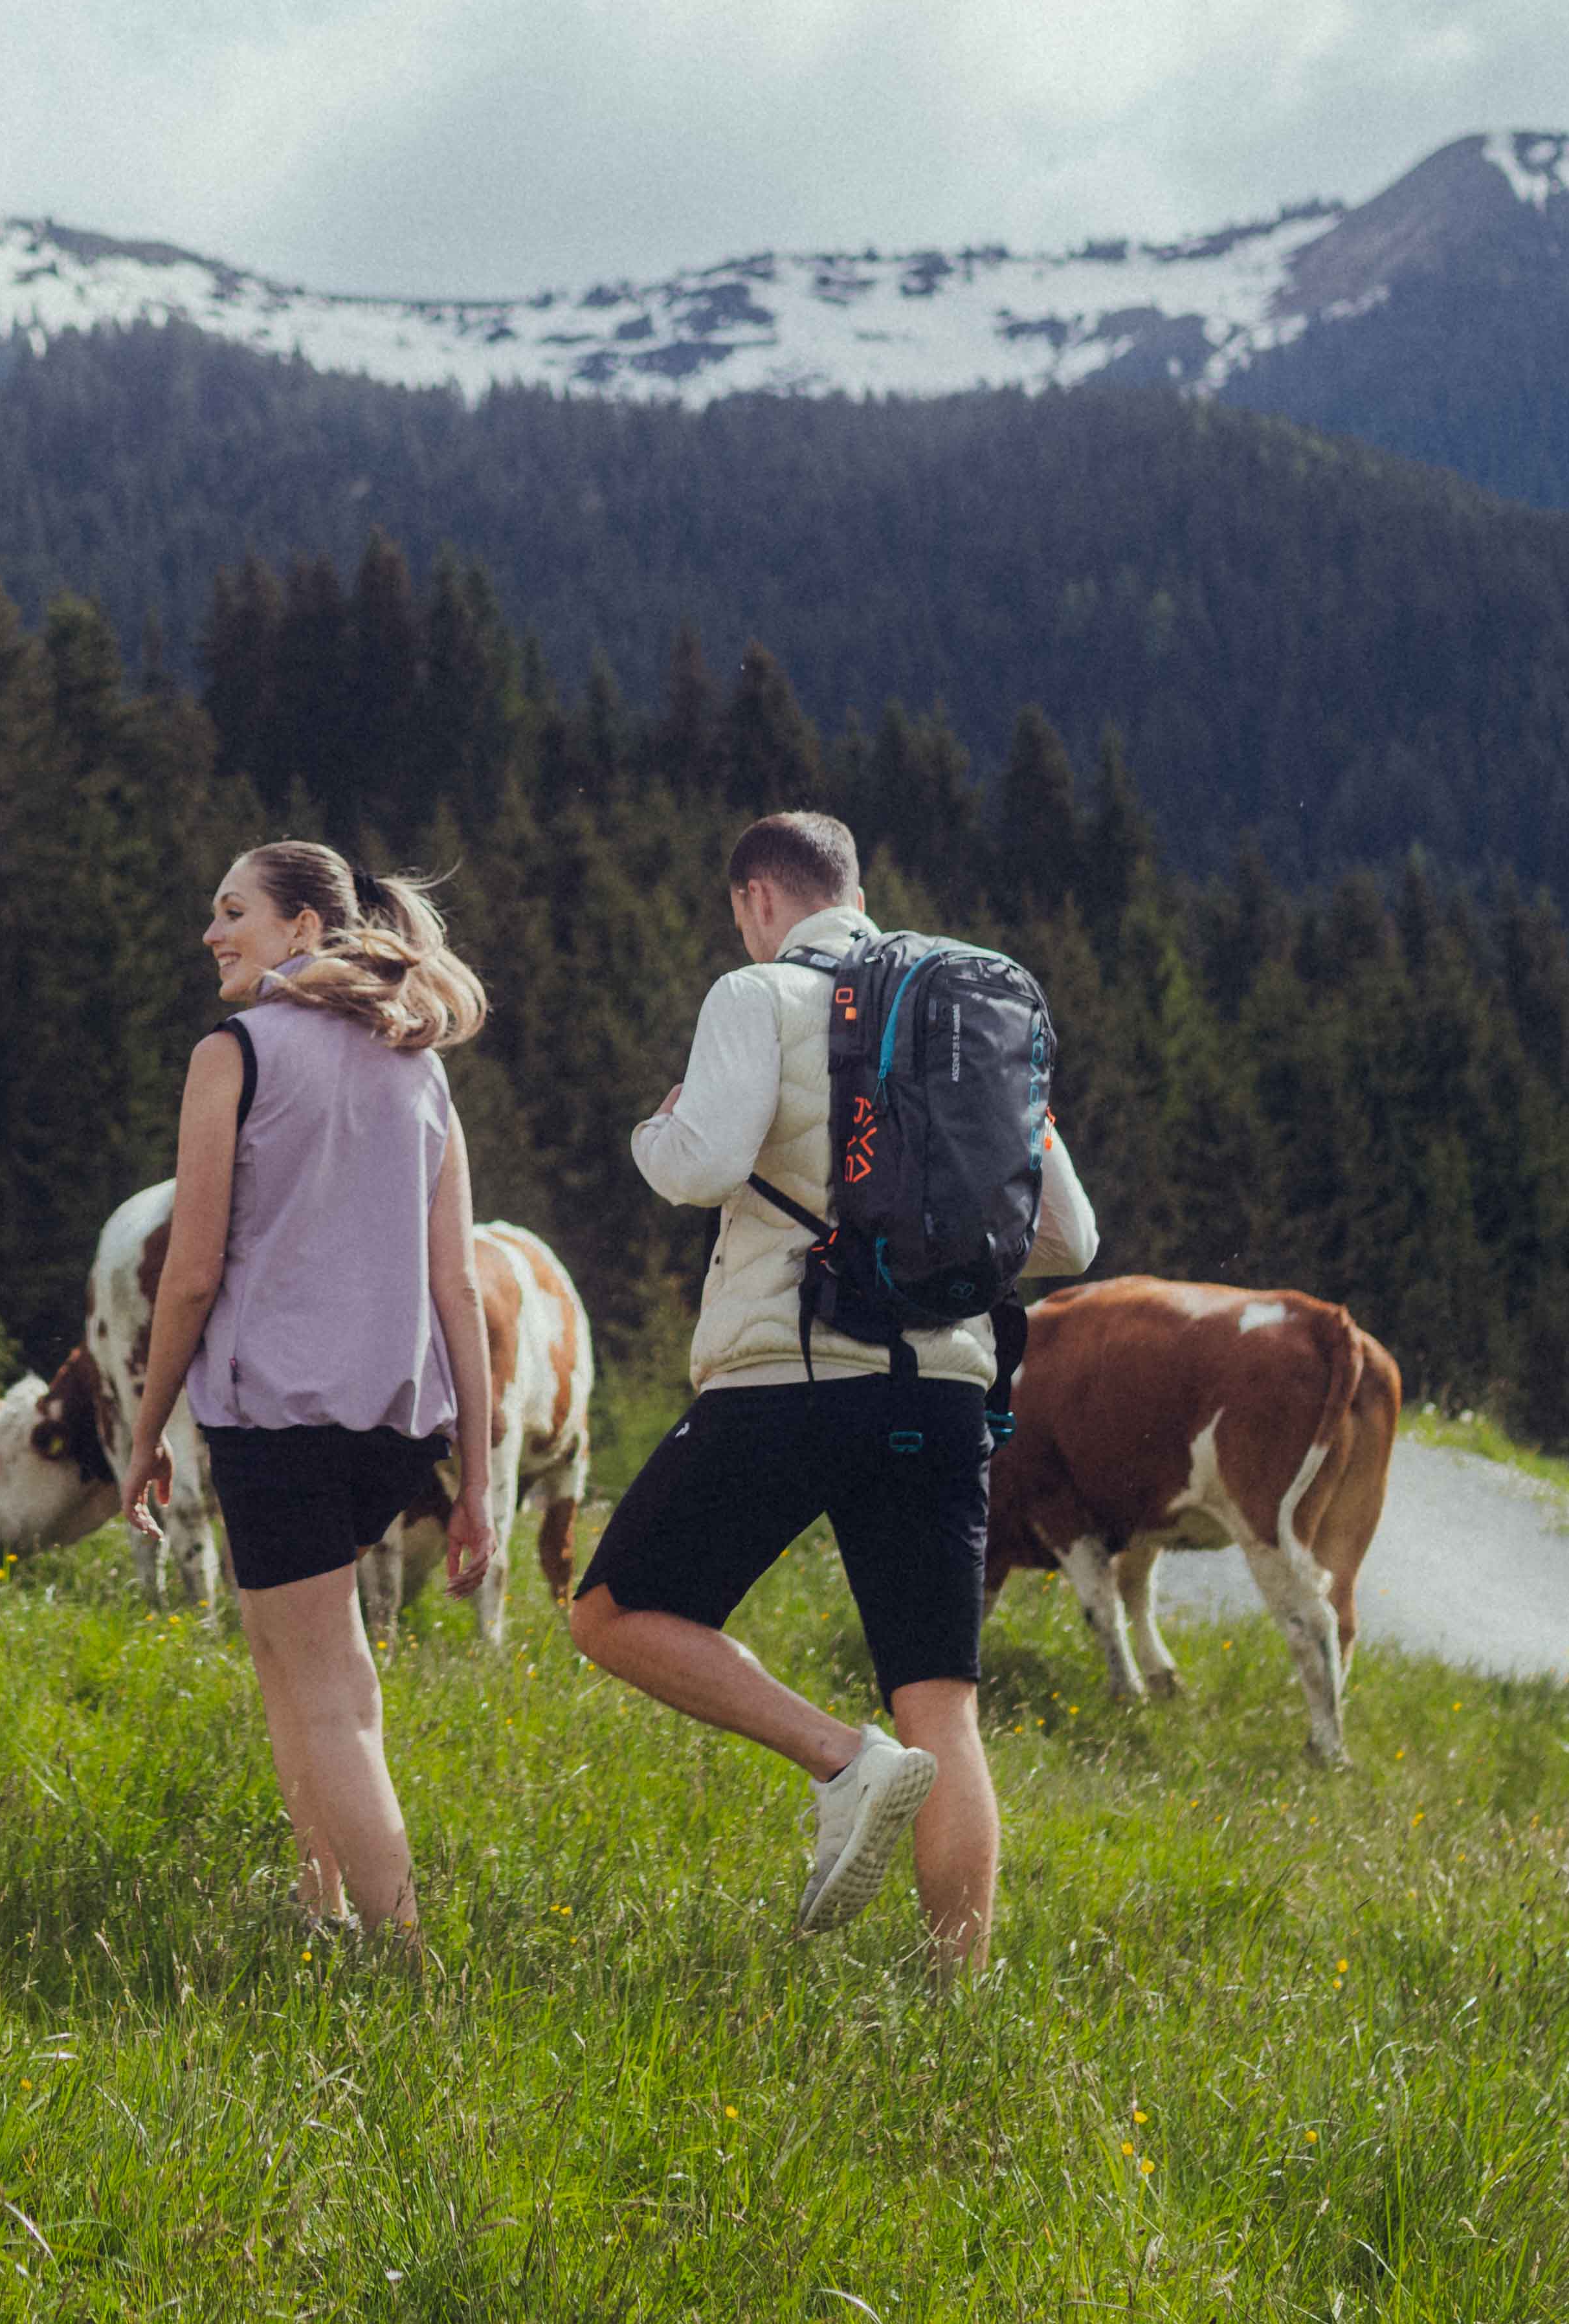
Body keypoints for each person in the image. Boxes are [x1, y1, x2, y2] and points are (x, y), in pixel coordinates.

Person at [568, 809, 1097, 1964]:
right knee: (940, 1703)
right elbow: (1069, 1239)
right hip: (946, 1391)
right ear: (854, 893)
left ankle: (841, 1760)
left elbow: (702, 1165)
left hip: (790, 1376)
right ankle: (956, 1998)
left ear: (755, 900)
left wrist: (655, 1130)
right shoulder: (962, 1018)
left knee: (610, 1613)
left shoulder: (754, 995)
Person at [117, 839, 503, 1956]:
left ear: (301, 928)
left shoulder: (232, 1052)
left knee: (324, 1688)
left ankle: (400, 1958)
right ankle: (319, 1906)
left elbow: (191, 1273)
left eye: (231, 910)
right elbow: (457, 1288)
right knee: (296, 1653)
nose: (211, 933)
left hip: (275, 1418)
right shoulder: (418, 1063)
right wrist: (477, 1482)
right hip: (394, 1425)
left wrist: (145, 1431)